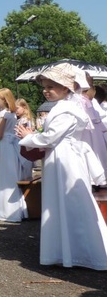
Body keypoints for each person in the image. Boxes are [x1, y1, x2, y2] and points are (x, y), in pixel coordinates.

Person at [17, 63, 107, 270]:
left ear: (66, 88)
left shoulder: (67, 109)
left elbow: (51, 137)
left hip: (65, 160)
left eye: (51, 87)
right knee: (61, 202)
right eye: (44, 87)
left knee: (71, 201)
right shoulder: (64, 107)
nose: (46, 91)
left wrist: (29, 136)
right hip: (60, 158)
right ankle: (66, 251)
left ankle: (85, 253)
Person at [0, 88, 25, 222]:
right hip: (12, 146)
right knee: (11, 176)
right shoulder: (12, 114)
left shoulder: (3, 114)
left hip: (5, 146)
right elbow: (4, 133)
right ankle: (14, 209)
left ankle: (6, 211)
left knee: (4, 177)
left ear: (5, 100)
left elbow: (0, 134)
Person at [71, 70, 107, 187]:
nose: (94, 90)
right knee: (88, 160)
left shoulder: (92, 102)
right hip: (85, 136)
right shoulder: (77, 101)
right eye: (92, 87)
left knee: (99, 156)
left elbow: (99, 120)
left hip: (96, 136)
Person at [14, 99, 34, 180]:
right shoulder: (20, 119)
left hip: (23, 144)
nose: (16, 111)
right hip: (21, 143)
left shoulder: (25, 120)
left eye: (17, 108)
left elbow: (23, 132)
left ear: (24, 107)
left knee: (25, 166)